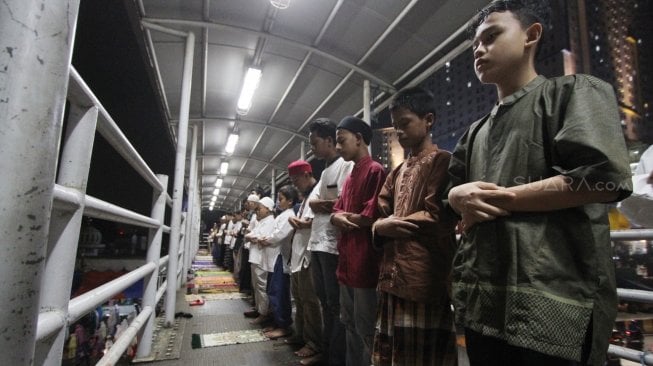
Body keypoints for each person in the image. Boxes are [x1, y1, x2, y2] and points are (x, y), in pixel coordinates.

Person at [447, 1, 633, 365]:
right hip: (485, 303)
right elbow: (449, 196)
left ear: (531, 35)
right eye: (475, 46)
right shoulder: (475, 133)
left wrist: (500, 199)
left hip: (555, 301)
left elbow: (602, 179)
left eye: (492, 36)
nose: (480, 49)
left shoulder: (572, 93)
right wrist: (455, 195)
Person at [372, 86, 458, 366]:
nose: (399, 132)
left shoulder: (442, 161)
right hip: (392, 275)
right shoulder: (397, 171)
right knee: (395, 353)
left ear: (428, 120)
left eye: (405, 123)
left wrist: (383, 227)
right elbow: (381, 211)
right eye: (396, 126)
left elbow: (438, 216)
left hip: (424, 276)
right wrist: (379, 228)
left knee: (422, 356)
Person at [331, 116, 386, 366]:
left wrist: (340, 217)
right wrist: (339, 217)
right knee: (349, 323)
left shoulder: (375, 170)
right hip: (346, 262)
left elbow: (369, 216)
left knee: (365, 327)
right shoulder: (350, 176)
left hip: (365, 263)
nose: (338, 147)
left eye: (342, 141)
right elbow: (337, 212)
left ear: (359, 139)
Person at [307, 118, 353, 366]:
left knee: (335, 305)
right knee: (324, 302)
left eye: (315, 143)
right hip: (317, 243)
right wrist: (326, 205)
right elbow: (317, 205)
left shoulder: (346, 166)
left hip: (333, 245)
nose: (312, 148)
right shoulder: (324, 171)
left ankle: (336, 358)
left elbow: (342, 204)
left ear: (329, 140)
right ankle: (328, 353)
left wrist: (323, 205)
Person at [286, 160, 323, 365]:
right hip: (299, 255)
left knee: (311, 302)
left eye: (296, 179)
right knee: (300, 300)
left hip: (309, 255)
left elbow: (319, 220)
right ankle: (301, 335)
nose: (295, 185)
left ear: (307, 174)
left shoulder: (318, 190)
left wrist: (301, 224)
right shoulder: (306, 196)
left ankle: (315, 343)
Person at [258, 186, 299, 339]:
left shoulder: (290, 215)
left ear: (290, 201)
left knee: (279, 291)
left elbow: (279, 236)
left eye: (281, 199)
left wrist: (265, 240)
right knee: (273, 290)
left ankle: (284, 325)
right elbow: (275, 234)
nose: (278, 202)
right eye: (278, 198)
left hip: (285, 257)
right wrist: (266, 239)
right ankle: (278, 322)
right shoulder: (283, 214)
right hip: (280, 256)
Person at [245, 197, 276, 326]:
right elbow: (250, 235)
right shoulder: (262, 221)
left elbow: (260, 238)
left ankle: (264, 314)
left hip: (261, 258)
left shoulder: (270, 222)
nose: (257, 211)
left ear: (268, 210)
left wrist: (252, 237)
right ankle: (259, 309)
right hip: (255, 256)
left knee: (262, 287)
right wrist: (252, 237)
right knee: (256, 286)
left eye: (260, 208)